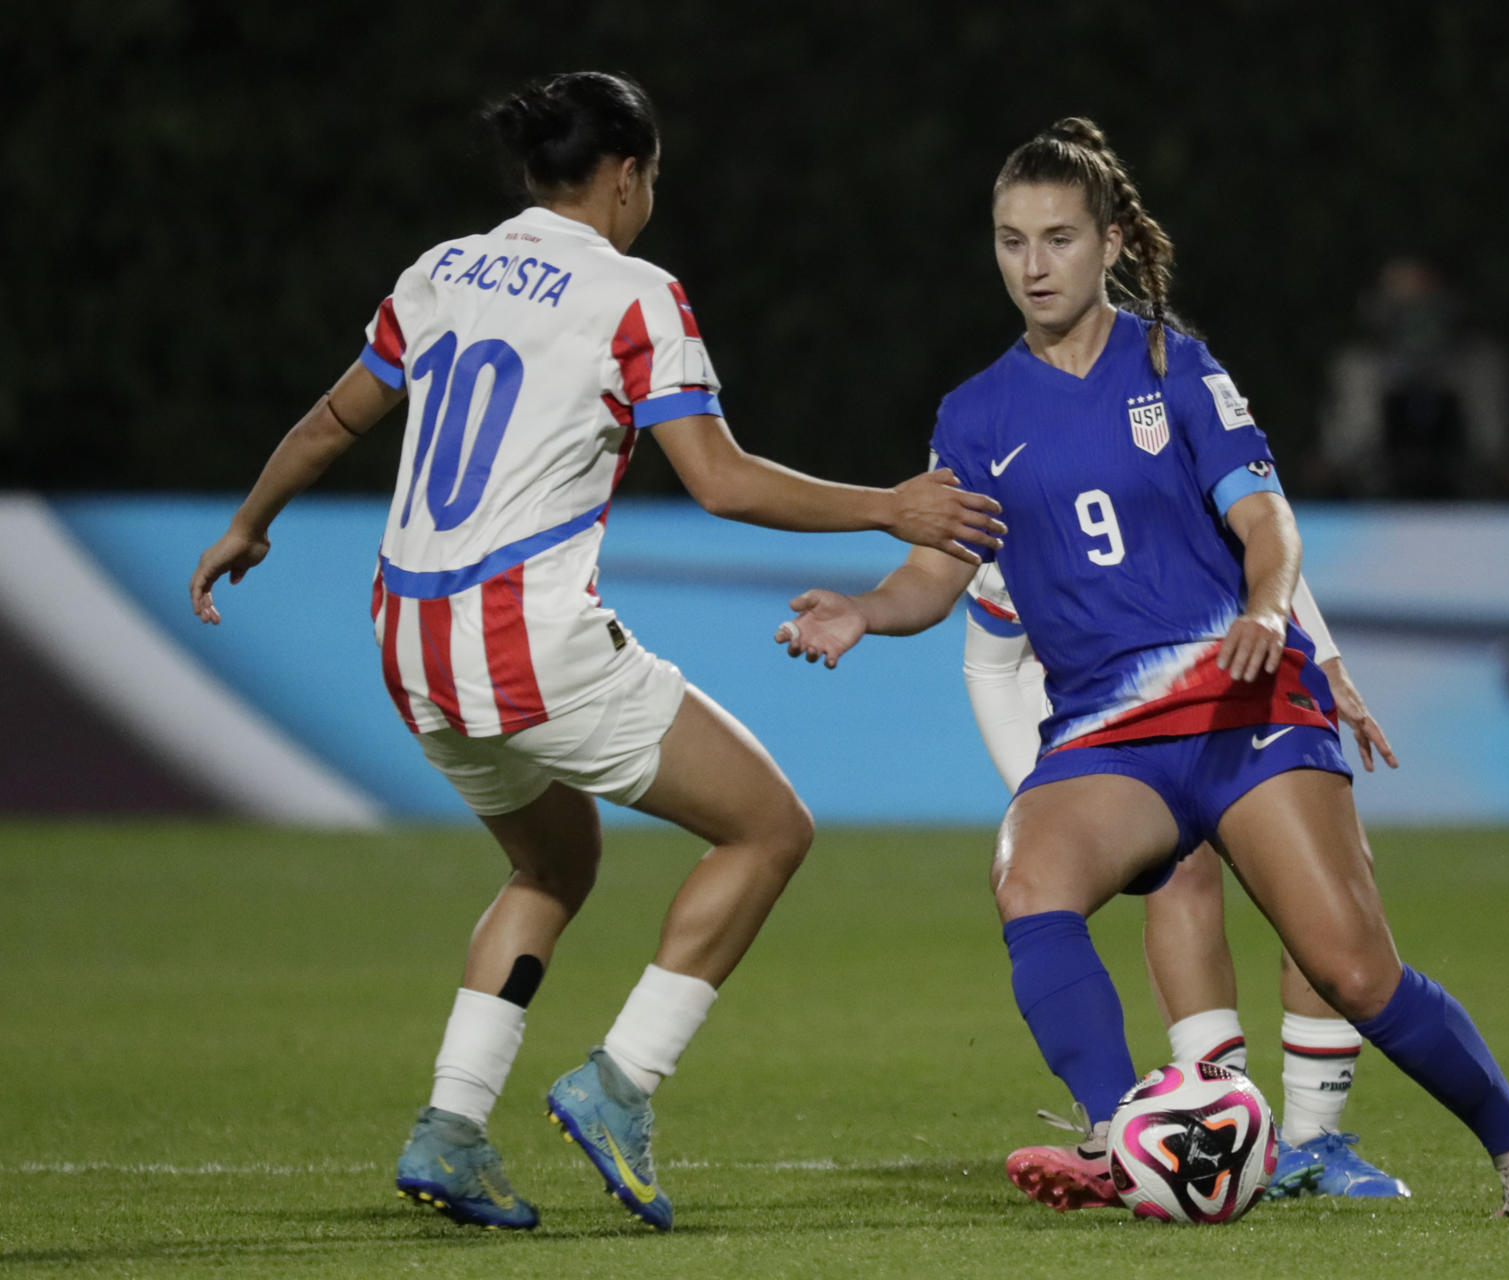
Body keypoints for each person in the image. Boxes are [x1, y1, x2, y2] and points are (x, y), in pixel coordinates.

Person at [187, 70, 1003, 1233]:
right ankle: (620, 1081)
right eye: (653, 178)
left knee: (552, 867)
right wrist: (889, 506)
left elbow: (331, 421)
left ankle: (451, 1128)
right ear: (626, 176)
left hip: (409, 642)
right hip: (526, 639)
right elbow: (718, 480)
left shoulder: (441, 271)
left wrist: (248, 522)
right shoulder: (635, 294)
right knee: (771, 827)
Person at [778, 117, 1509, 1218]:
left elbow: (1270, 524)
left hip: (1243, 697)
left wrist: (1263, 607)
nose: (1033, 264)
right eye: (1012, 241)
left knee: (1352, 969)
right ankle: (1121, 1134)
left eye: (1057, 237)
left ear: (1109, 242)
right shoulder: (973, 414)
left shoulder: (1175, 362)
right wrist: (864, 610)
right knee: (1029, 876)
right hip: (1107, 729)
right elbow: (934, 576)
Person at [960, 561, 1411, 1199]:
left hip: (1227, 651)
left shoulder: (1189, 460)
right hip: (1090, 683)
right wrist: (1042, 799)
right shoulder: (1000, 471)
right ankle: (1209, 1127)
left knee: (1329, 872)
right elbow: (989, 650)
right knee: (1179, 869)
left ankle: (1312, 1143)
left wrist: (1328, 660)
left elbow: (1261, 525)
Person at [1314, 256, 1509, 498]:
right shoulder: (1362, 359)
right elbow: (1372, 320)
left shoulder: (1476, 355)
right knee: (1357, 369)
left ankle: (1496, 461)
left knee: (1485, 364)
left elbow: (1457, 322)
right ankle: (1356, 465)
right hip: (1389, 363)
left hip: (1451, 360)